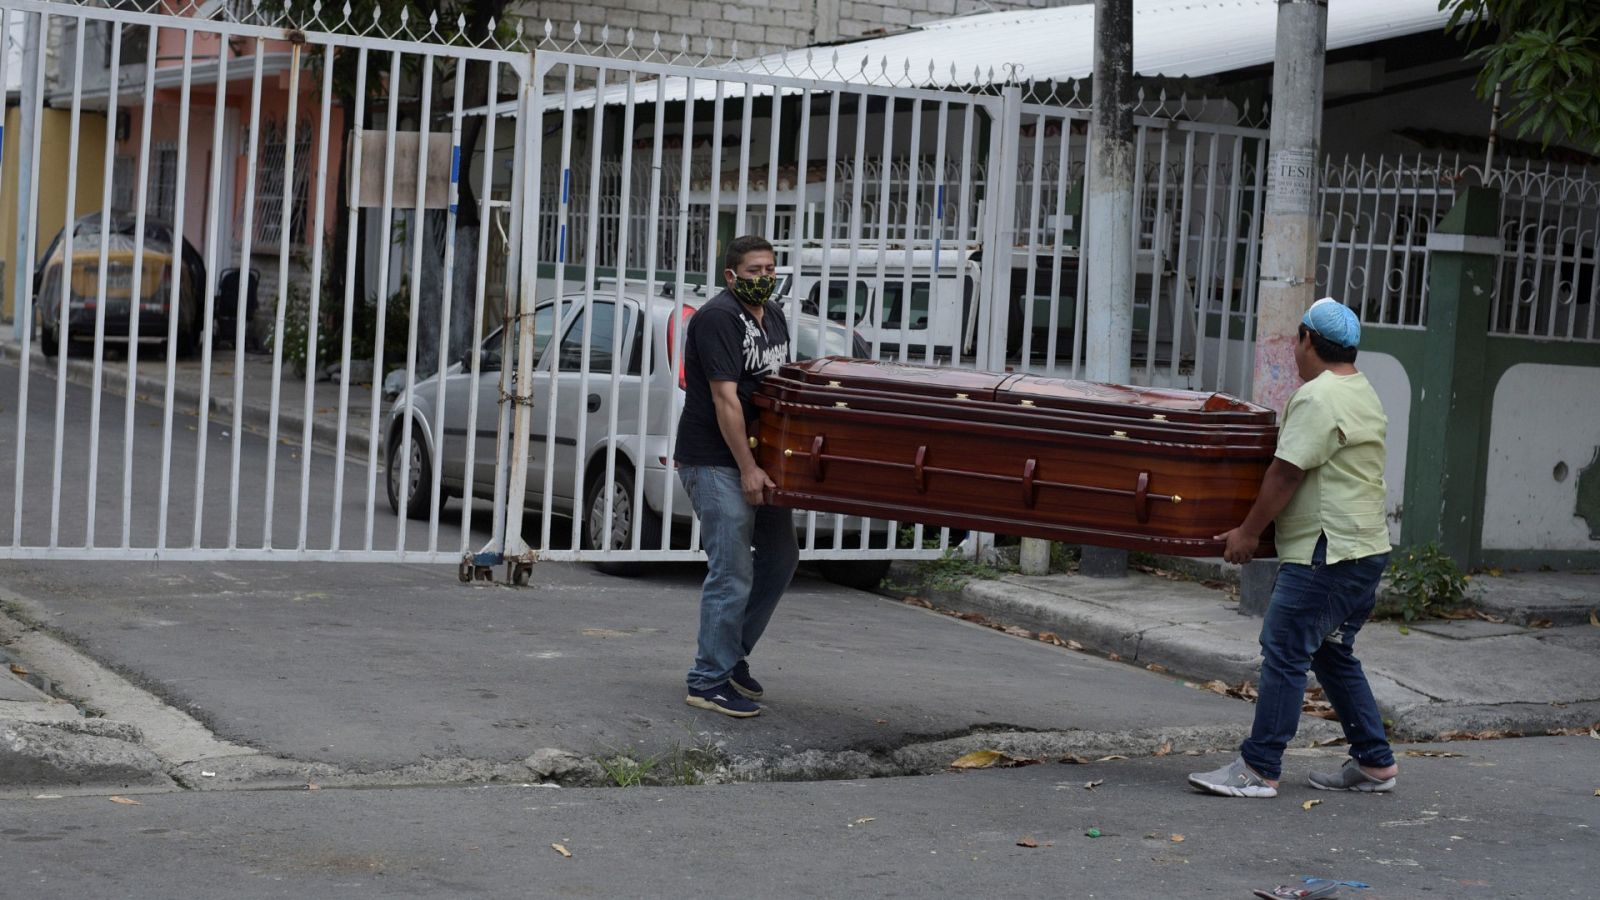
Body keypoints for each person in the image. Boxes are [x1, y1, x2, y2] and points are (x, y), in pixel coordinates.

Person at [1188, 298, 1397, 798]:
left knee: (1283, 649)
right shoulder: (1362, 390)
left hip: (1327, 552)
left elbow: (1285, 473)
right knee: (1331, 653)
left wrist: (1247, 532)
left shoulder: (1316, 397)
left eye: (1296, 342)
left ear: (1307, 339)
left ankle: (1259, 768)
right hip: (1366, 547)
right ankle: (1374, 763)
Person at [673, 235, 799, 718]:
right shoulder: (718, 318)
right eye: (753, 271)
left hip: (760, 457)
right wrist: (747, 468)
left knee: (781, 556)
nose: (763, 277)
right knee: (732, 570)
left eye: (769, 268)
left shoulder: (776, 315)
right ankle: (706, 680)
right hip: (714, 459)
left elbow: (777, 383)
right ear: (731, 276)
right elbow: (726, 399)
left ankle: (729, 658)